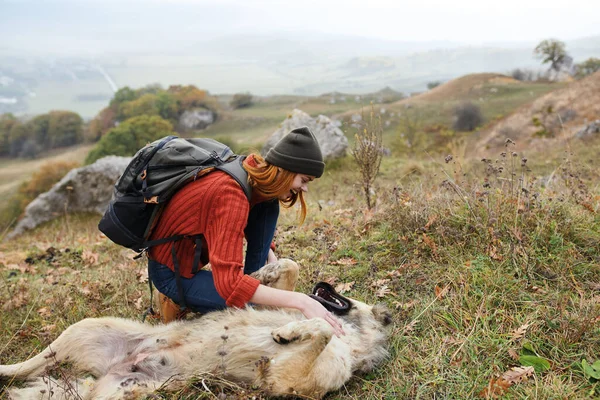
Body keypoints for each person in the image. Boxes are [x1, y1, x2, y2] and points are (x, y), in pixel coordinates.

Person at [147, 126, 344, 336]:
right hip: (172, 273)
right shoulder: (229, 194)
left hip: (194, 255)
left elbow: (255, 214)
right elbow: (229, 285)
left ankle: (253, 285)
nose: (304, 188)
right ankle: (174, 299)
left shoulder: (253, 173)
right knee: (251, 313)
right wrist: (300, 301)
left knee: (269, 204)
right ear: (285, 170)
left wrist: (271, 262)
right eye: (304, 180)